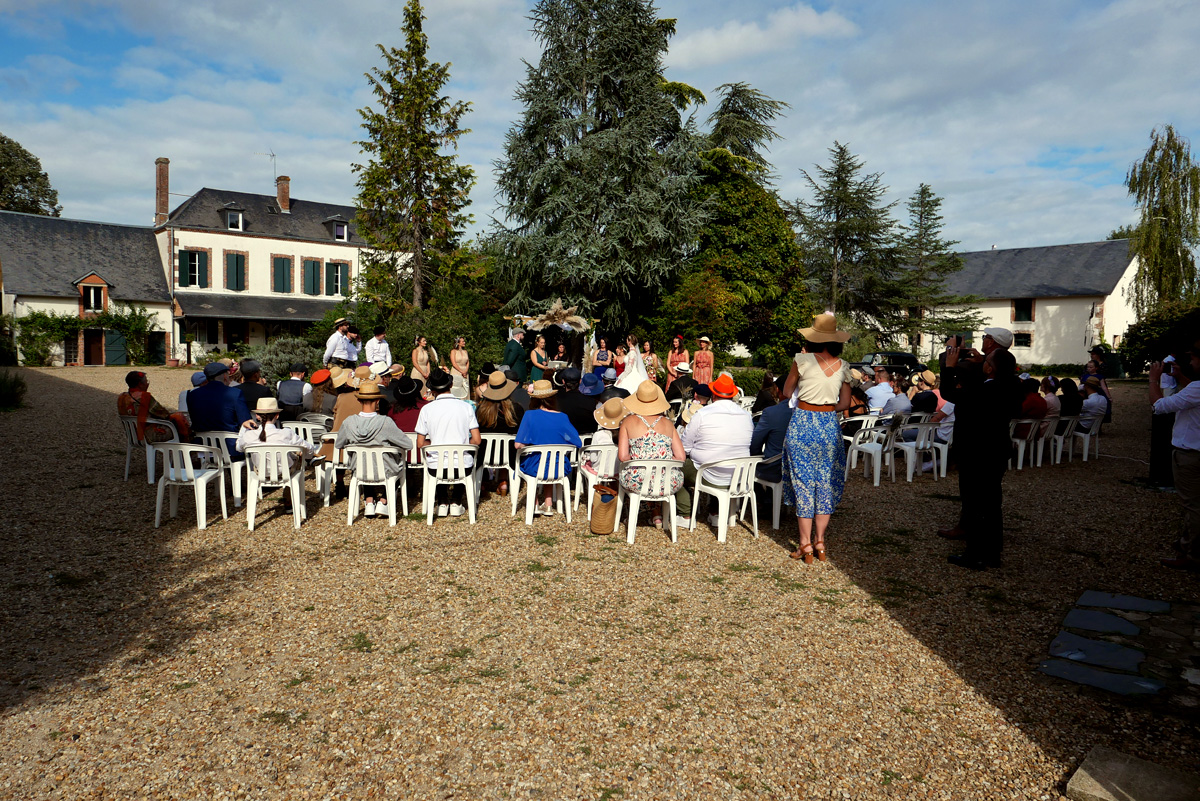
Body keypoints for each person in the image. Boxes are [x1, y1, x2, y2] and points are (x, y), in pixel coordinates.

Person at [940, 344, 1021, 570]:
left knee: (975, 504)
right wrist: (982, 363)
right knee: (992, 504)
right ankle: (993, 553)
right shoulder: (1011, 385)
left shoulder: (985, 391)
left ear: (990, 370)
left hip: (977, 453)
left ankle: (974, 555)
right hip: (997, 452)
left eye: (987, 361)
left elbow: (950, 393)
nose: (983, 361)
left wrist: (949, 367)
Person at [779, 315, 853, 563]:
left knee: (803, 483)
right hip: (828, 425)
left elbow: (787, 391)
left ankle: (805, 544)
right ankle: (820, 542)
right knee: (825, 483)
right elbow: (844, 403)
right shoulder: (843, 366)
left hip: (803, 422)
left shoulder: (802, 360)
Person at [678, 373, 754, 530]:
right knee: (715, 460)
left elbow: (684, 447)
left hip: (709, 473)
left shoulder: (702, 414)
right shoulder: (746, 415)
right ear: (733, 395)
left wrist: (698, 449)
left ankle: (685, 513)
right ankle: (715, 512)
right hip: (739, 475)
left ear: (713, 394)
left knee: (675, 468)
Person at [1150, 348, 1200, 570]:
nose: (1191, 361)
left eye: (1193, 358)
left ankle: (1192, 553)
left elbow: (1159, 407)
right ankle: (1187, 545)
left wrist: (1153, 380)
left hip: (1191, 454)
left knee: (1193, 506)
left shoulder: (1198, 388)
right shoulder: (1195, 388)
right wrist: (1180, 378)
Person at [333, 382, 413, 519]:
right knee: (399, 465)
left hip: (359, 470)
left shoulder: (349, 422)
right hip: (385, 470)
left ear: (359, 400)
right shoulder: (385, 422)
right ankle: (384, 501)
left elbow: (339, 444)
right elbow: (408, 444)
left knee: (364, 461)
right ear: (378, 400)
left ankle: (369, 501)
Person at [617, 381, 686, 529]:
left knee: (634, 472)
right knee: (655, 473)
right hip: (668, 481)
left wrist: (638, 457)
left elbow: (623, 456)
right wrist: (662, 459)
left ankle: (633, 515)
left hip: (638, 480)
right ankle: (657, 515)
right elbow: (681, 457)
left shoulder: (628, 422)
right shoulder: (668, 423)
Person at [415, 368, 481, 517]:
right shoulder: (466, 407)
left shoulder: (426, 409)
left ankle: (443, 501)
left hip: (436, 467)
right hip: (462, 466)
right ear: (450, 385)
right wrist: (461, 444)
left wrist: (436, 444)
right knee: (462, 458)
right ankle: (456, 501)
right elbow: (477, 440)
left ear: (431, 390)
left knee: (436, 460)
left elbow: (420, 443)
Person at [514, 380, 582, 515]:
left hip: (535, 466)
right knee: (551, 459)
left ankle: (535, 504)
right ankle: (549, 503)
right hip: (559, 467)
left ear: (534, 398)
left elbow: (518, 445)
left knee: (537, 459)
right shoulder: (562, 417)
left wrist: (529, 443)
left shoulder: (530, 415)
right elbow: (578, 442)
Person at [235, 397, 315, 511]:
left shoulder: (249, 435)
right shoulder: (286, 433)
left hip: (261, 472)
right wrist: (308, 455)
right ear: (277, 415)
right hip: (285, 472)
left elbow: (238, 447)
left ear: (257, 416)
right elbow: (308, 447)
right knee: (297, 457)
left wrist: (243, 428)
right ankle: (289, 498)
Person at [187, 361, 250, 456]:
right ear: (225, 376)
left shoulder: (193, 395)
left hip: (203, 447)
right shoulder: (235, 393)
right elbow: (245, 421)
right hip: (230, 448)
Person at [118, 370, 191, 443]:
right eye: (146, 382)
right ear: (140, 384)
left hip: (132, 435)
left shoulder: (122, 397)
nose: (147, 384)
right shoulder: (144, 397)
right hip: (148, 436)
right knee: (179, 420)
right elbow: (163, 414)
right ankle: (186, 446)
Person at [750, 378, 790, 484]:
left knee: (747, 467)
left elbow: (755, 443)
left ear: (777, 390)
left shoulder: (771, 412)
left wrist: (757, 457)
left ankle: (764, 498)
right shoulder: (804, 412)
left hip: (774, 468)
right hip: (795, 467)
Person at [585, 397, 626, 477]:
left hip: (599, 470)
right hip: (618, 470)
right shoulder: (624, 434)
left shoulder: (598, 435)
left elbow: (593, 458)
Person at [555, 367, 600, 437]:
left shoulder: (556, 400)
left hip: (563, 439)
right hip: (586, 440)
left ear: (563, 381)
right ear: (580, 381)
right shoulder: (590, 401)